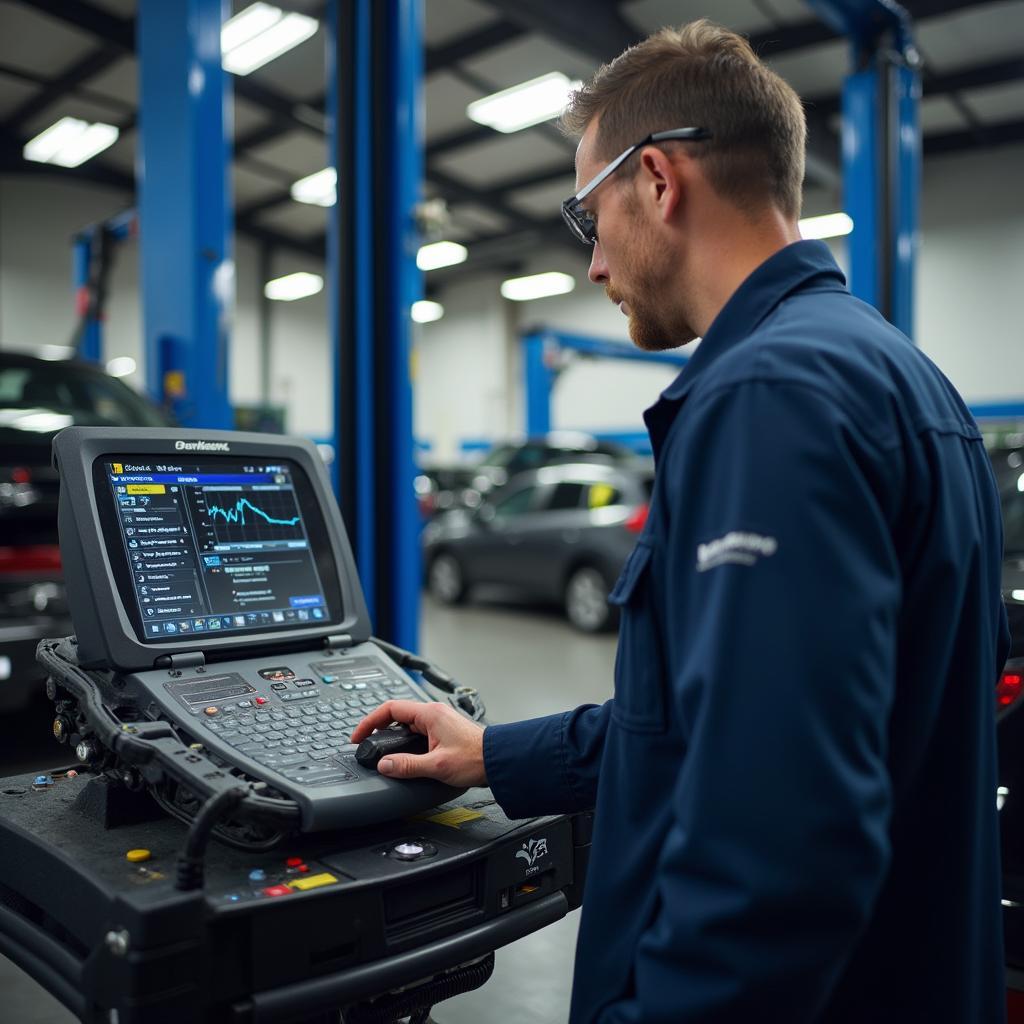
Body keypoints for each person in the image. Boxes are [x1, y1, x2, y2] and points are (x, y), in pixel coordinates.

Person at [353, 20, 1010, 1022]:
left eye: (587, 217)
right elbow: (734, 722)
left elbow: (777, 844)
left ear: (655, 180)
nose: (592, 266)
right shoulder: (896, 374)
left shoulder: (767, 397)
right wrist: (494, 754)